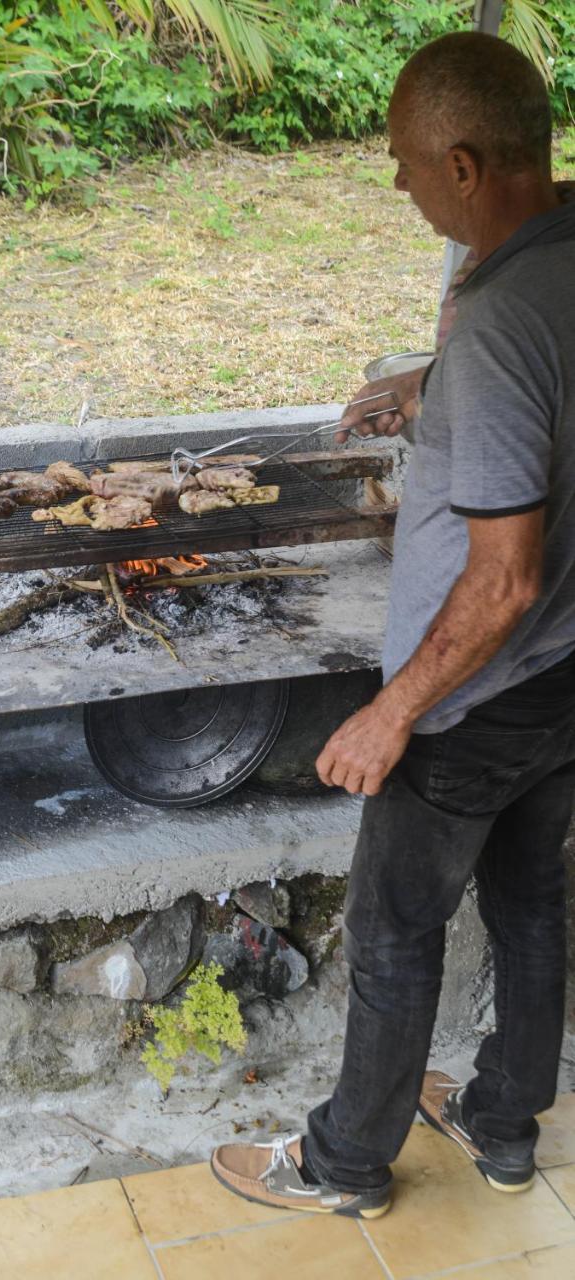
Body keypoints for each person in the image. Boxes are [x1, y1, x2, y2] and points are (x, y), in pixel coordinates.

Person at [211, 30, 575, 1219]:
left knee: (392, 929)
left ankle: (346, 1160)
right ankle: (505, 1122)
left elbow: (502, 576)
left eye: (407, 165)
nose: (398, 185)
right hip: (566, 673)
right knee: (529, 902)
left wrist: (389, 708)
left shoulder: (508, 320)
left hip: (473, 693)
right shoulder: (551, 261)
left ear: (465, 165)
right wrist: (442, 374)